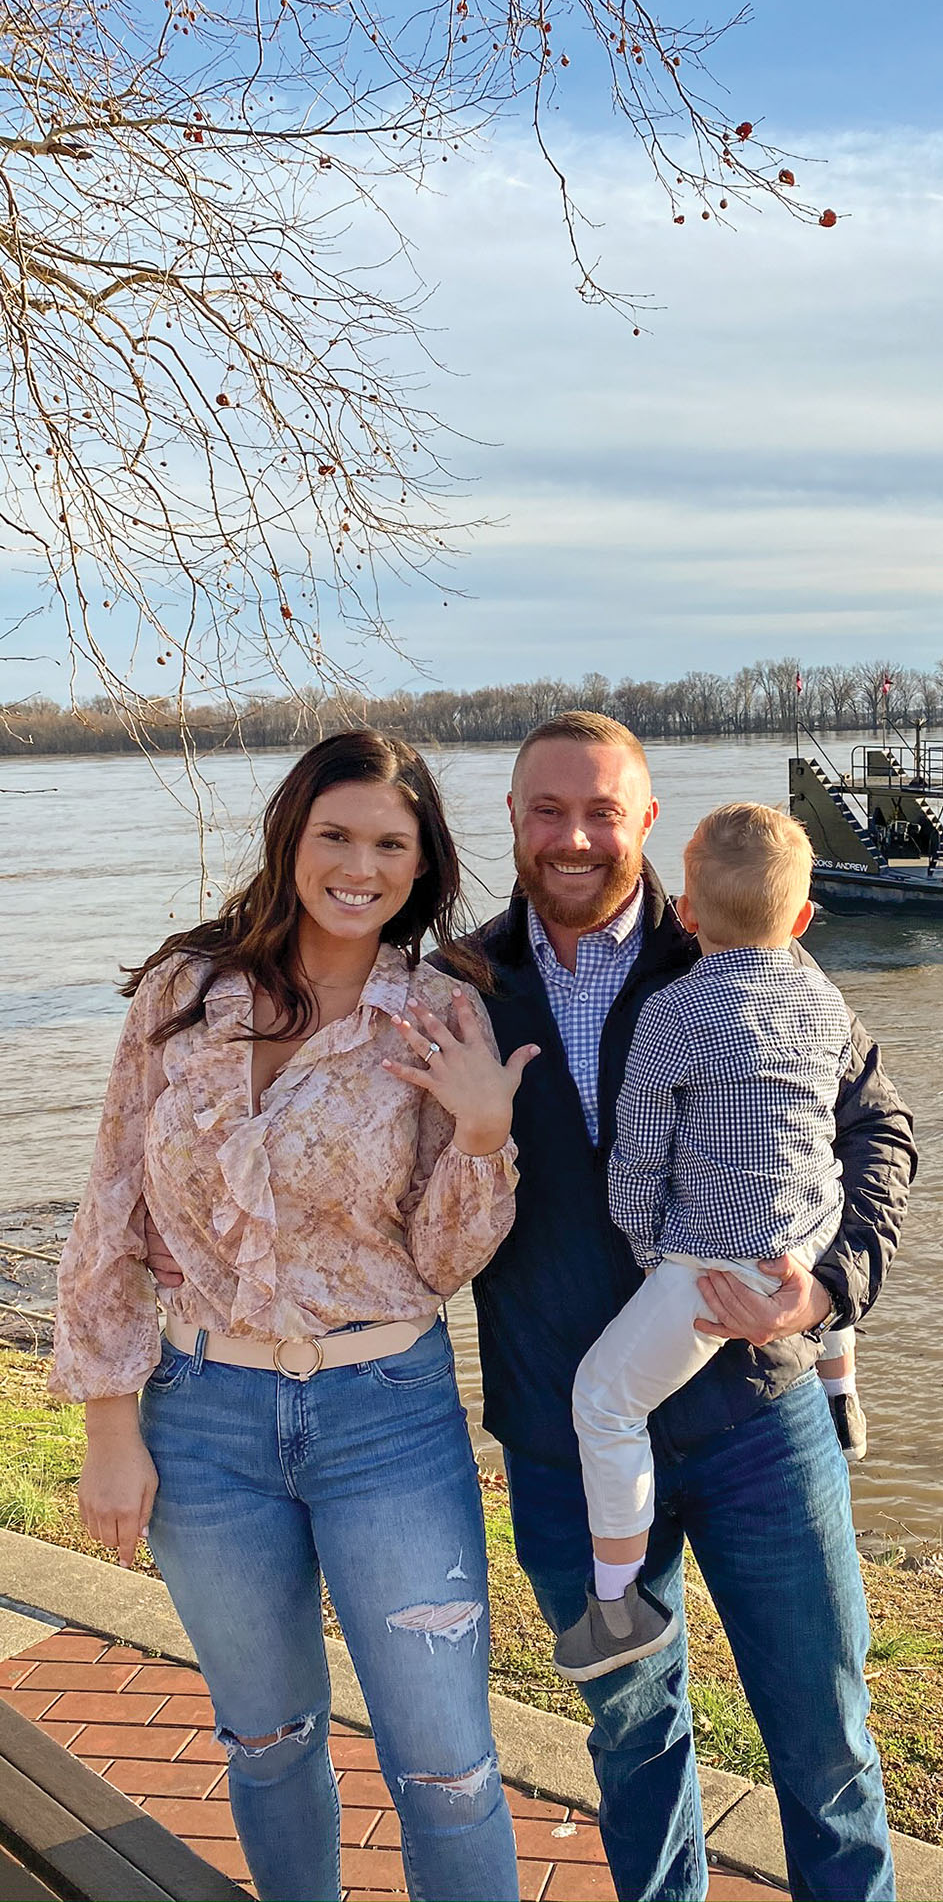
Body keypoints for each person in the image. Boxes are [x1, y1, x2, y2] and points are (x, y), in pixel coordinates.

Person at [148, 710, 916, 1902]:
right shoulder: (453, 990)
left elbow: (876, 1129)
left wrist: (828, 1285)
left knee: (824, 1746)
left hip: (757, 1420)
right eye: (548, 809)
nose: (574, 836)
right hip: (563, 1438)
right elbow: (386, 1215)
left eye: (603, 810)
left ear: (647, 820)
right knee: (633, 1738)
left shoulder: (743, 949)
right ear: (509, 820)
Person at [53, 730, 538, 1902]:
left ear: (422, 868)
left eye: (390, 843)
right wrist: (109, 1427)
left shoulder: (439, 1015)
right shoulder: (184, 993)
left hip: (387, 1415)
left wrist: (481, 1134)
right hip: (203, 1415)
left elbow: (439, 1259)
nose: (358, 864)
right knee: (266, 1741)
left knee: (445, 1765)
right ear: (292, 837)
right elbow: (110, 1200)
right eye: (336, 833)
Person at [556, 801, 866, 1680]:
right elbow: (847, 1126)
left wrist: (653, 1251)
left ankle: (617, 1604)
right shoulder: (825, 998)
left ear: (686, 914)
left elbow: (638, 1152)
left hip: (712, 1265)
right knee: (822, 1211)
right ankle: (840, 1391)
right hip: (810, 1234)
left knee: (605, 1401)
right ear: (803, 921)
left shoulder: (672, 1014)